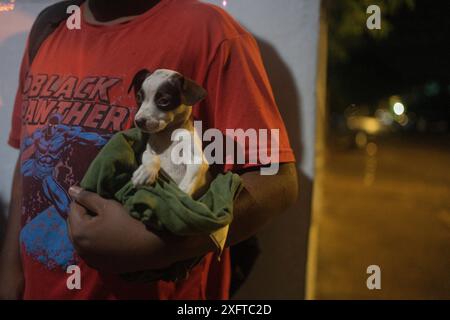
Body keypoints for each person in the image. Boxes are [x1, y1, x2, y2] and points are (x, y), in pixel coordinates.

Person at [0, 0, 298, 300]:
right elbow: (29, 156)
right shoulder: (49, 27)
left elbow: (277, 181)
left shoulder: (209, 33)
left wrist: (159, 244)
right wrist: (10, 270)